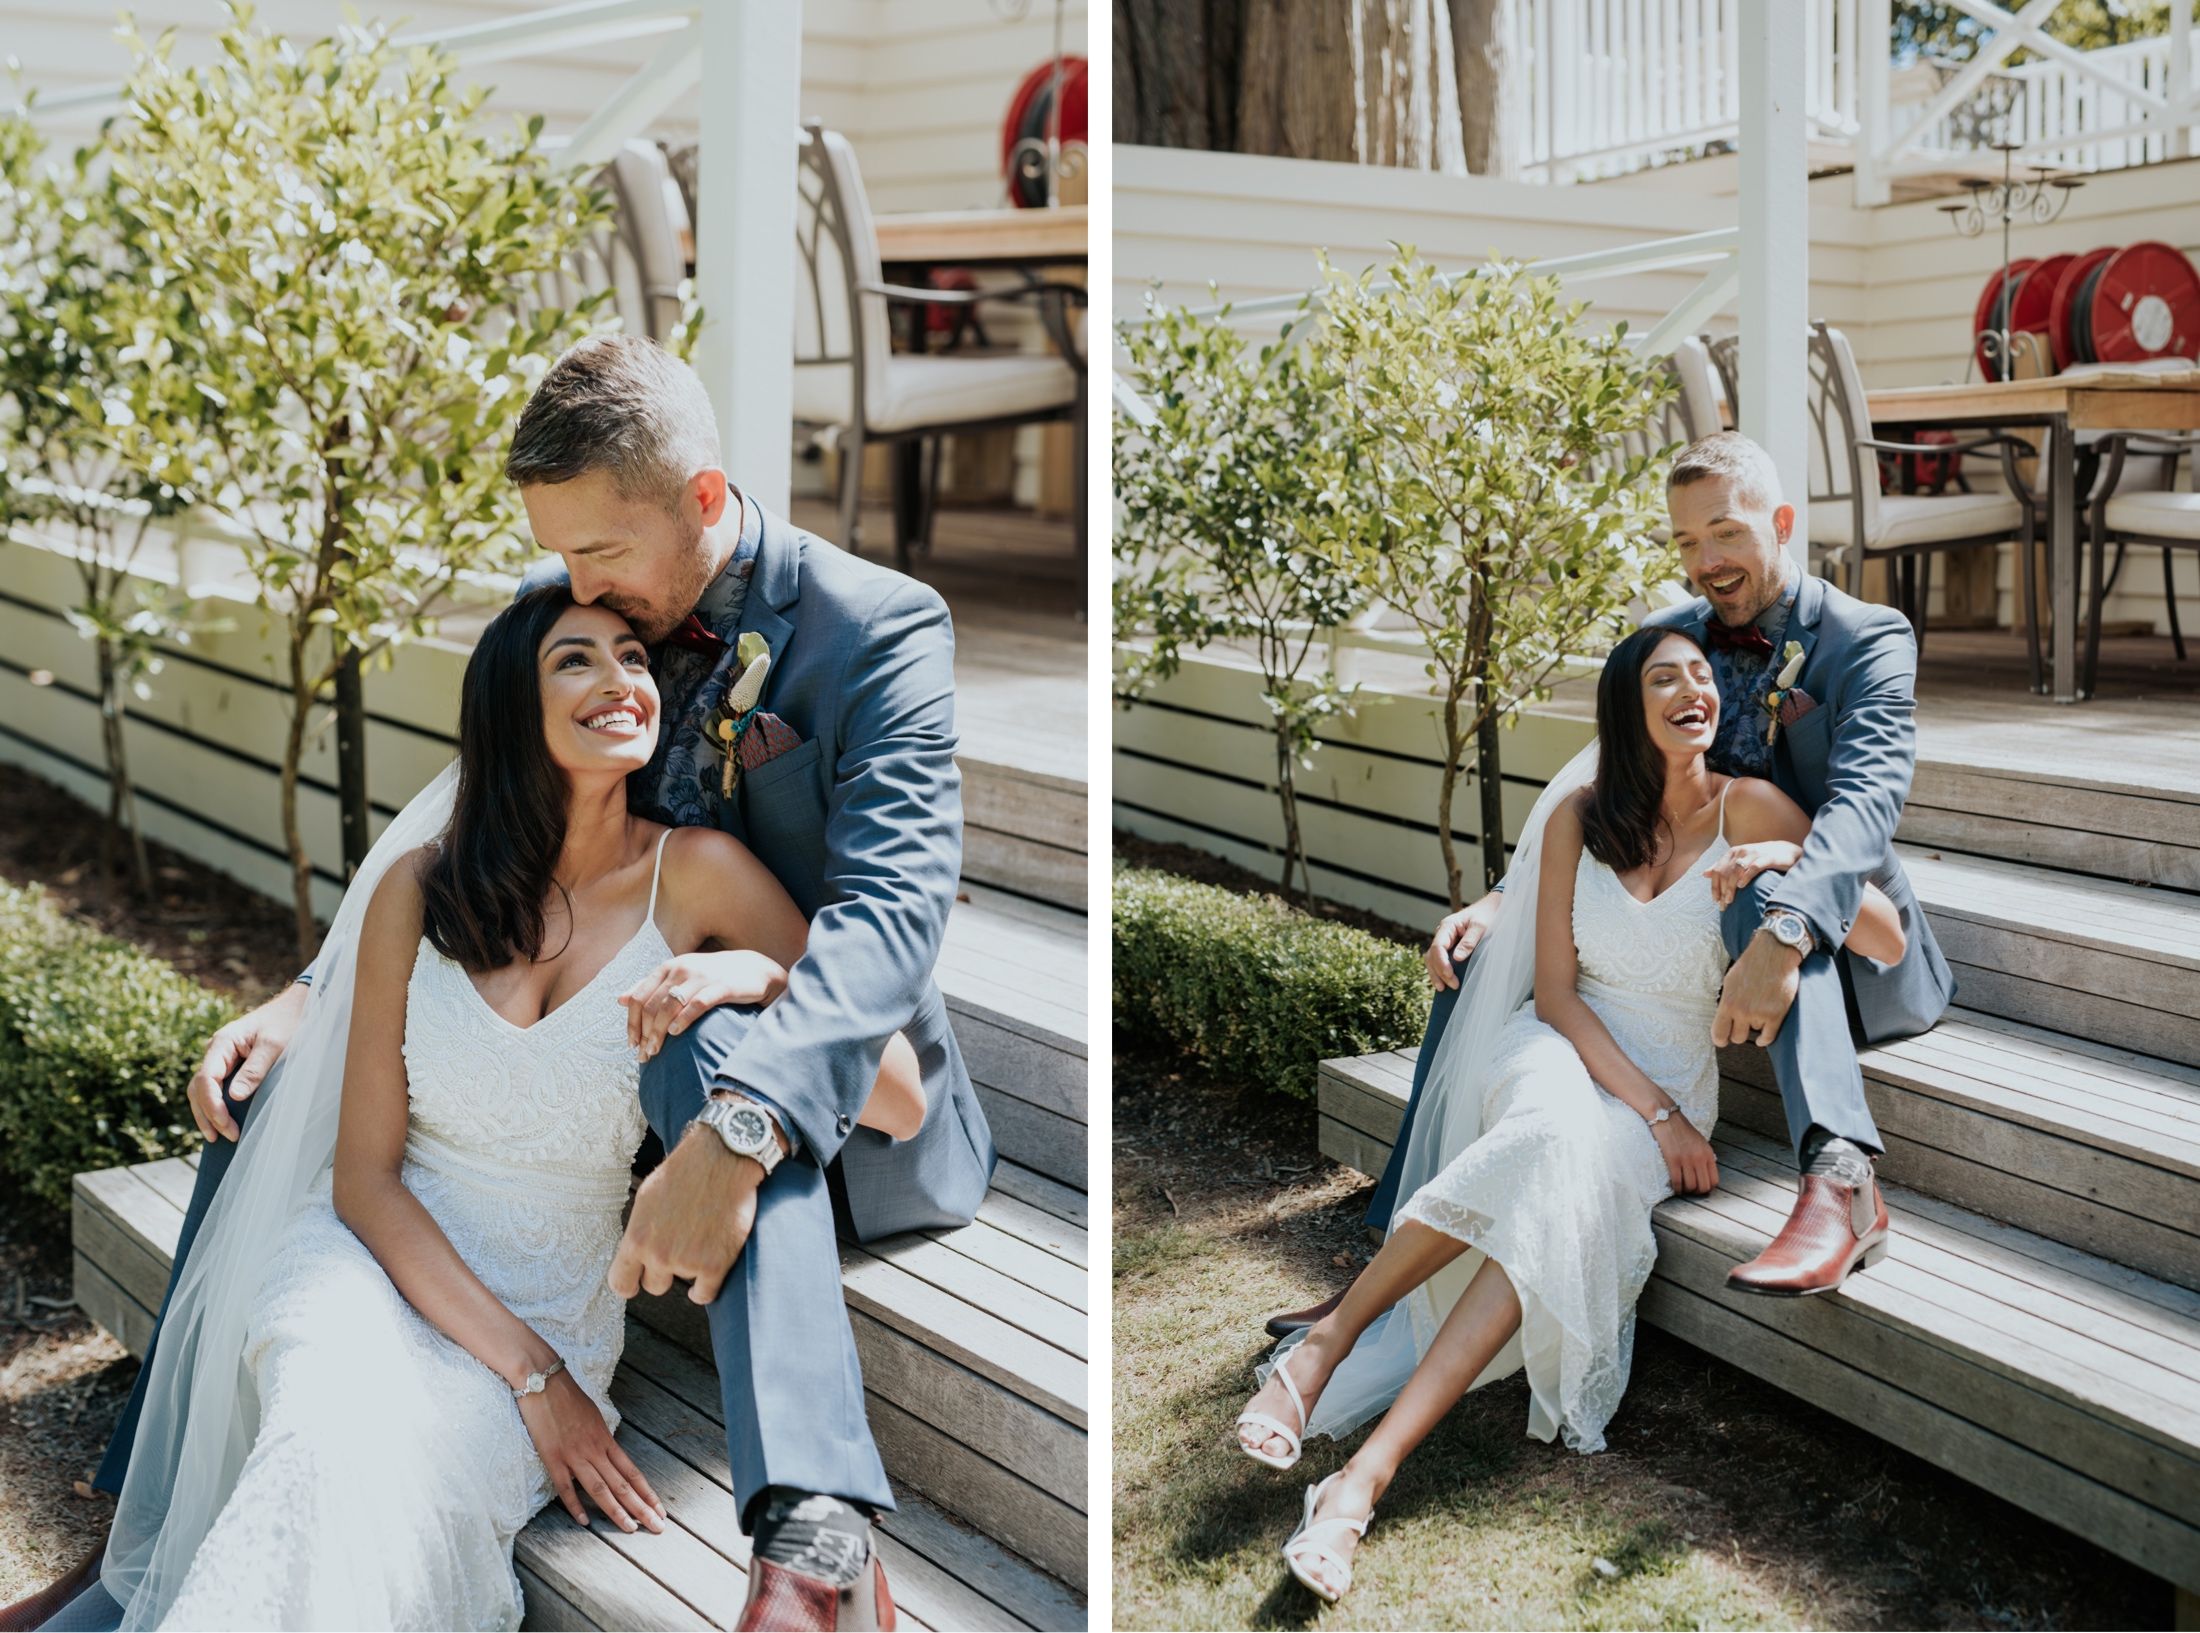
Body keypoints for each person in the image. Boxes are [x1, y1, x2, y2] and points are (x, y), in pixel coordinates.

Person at [20, 337, 991, 1633]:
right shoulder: (591, 615)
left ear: (704, 500)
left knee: (726, 1050)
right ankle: (141, 1536)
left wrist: (744, 1118)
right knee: (268, 1090)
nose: (573, 585)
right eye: (563, 560)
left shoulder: (874, 632)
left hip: (833, 1091)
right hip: (606, 1038)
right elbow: (480, 812)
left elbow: (884, 925)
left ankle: (811, 1530)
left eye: (602, 556)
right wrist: (317, 989)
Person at [1233, 624, 1908, 1605]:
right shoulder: (1577, 819)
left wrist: (1777, 859)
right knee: (1551, 1137)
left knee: (1552, 1188)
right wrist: (1659, 1113)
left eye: (1701, 675)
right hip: (1560, 1052)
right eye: (1663, 677)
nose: (1693, 690)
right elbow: (1553, 995)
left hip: (1670, 1075)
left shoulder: (1751, 803)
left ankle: (1353, 1476)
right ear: (1626, 710)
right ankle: (1337, 1388)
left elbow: (1880, 937)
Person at [1265, 431, 1954, 1341]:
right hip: (1695, 937)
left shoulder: (1869, 639)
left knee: (1765, 893)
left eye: (1725, 532)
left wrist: (1785, 934)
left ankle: (1841, 1179)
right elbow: (1609, 787)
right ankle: (1391, 1251)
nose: (1705, 562)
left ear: (1781, 523)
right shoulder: (1676, 644)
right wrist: (1507, 901)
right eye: (1685, 543)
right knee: (1478, 962)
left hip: (1852, 948)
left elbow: (1864, 808)